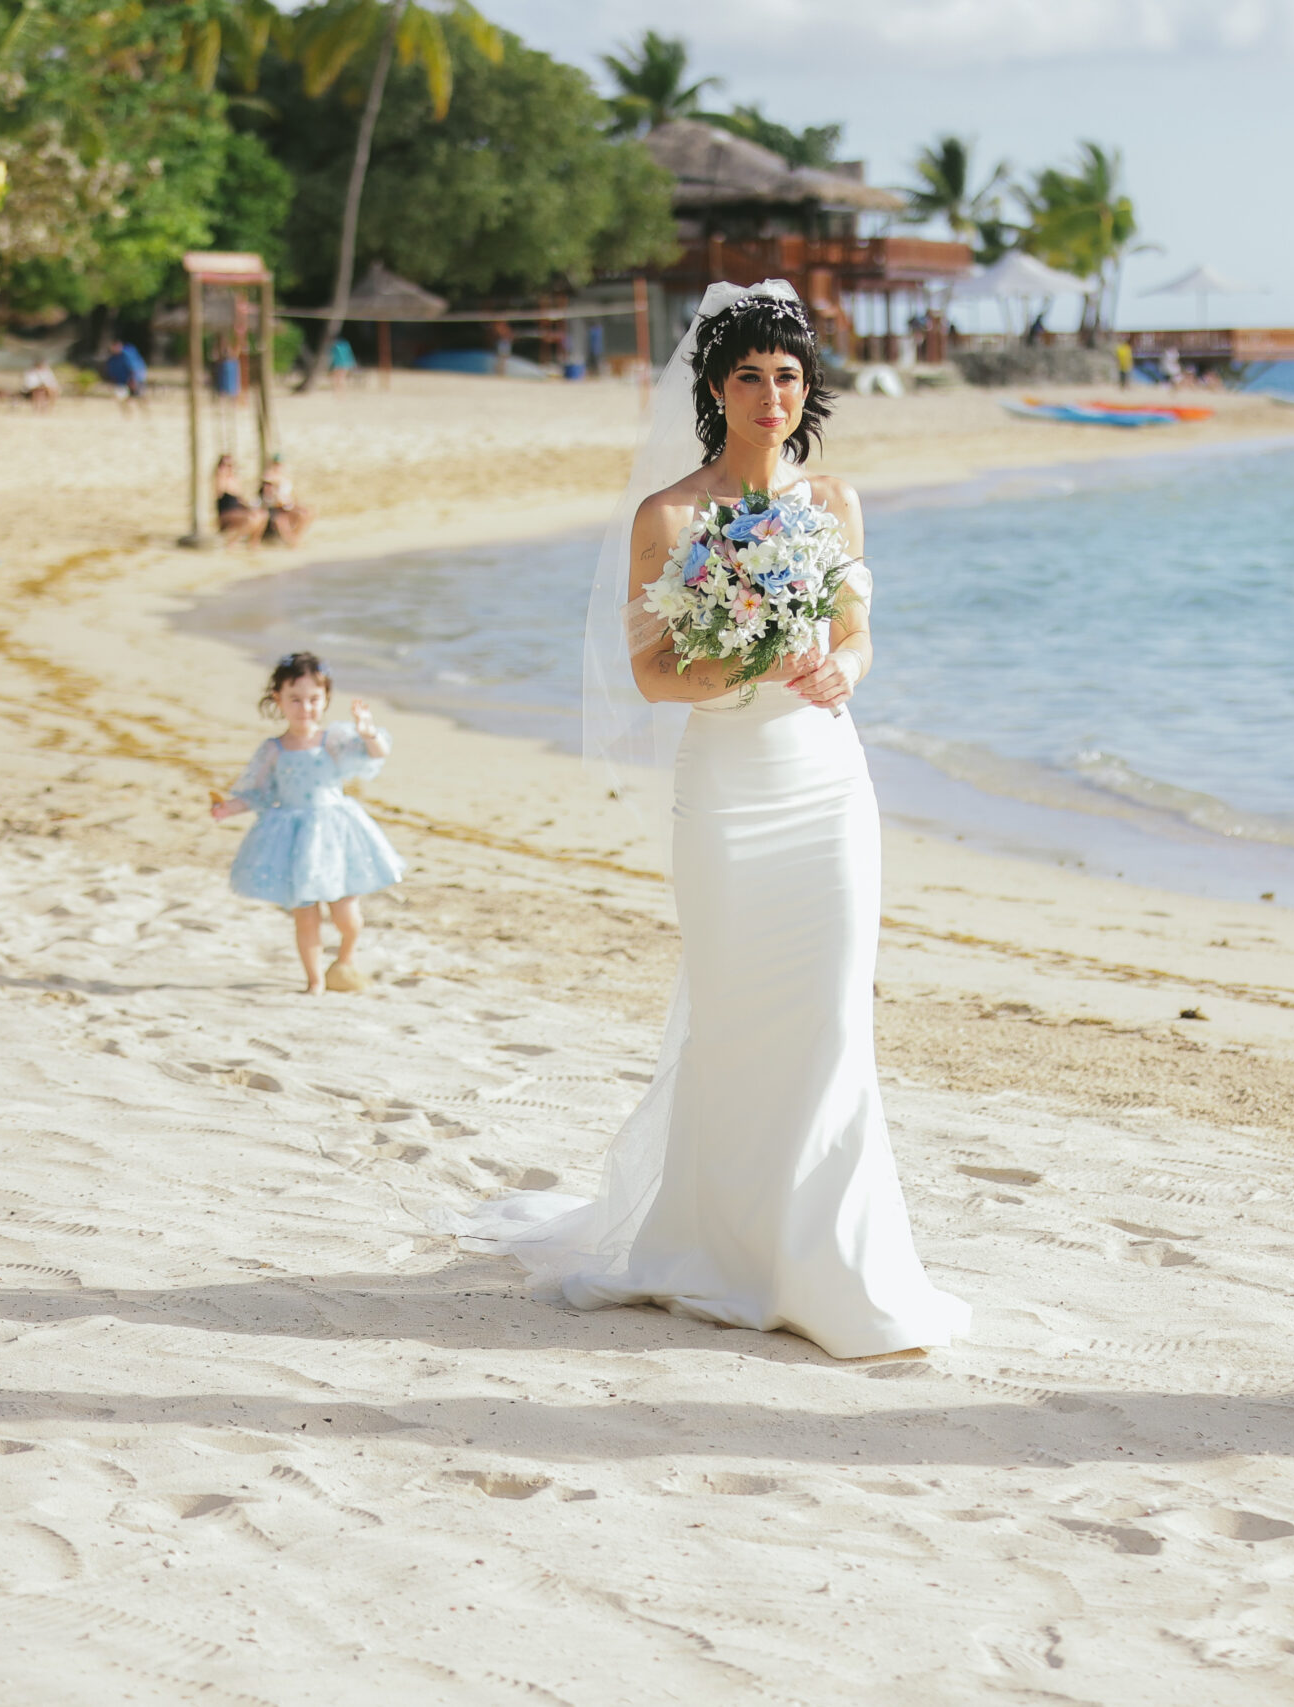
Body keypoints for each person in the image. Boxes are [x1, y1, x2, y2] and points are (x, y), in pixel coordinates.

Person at [437, 281, 971, 1361]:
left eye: (787, 376)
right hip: (728, 793)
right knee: (735, 1020)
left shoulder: (837, 505)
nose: (771, 395)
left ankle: (832, 1267)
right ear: (715, 389)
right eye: (749, 377)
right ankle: (718, 1249)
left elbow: (863, 637)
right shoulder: (670, 518)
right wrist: (748, 654)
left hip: (825, 786)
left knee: (830, 1017)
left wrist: (837, 668)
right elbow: (649, 675)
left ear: (807, 389)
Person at [210, 654, 403, 994]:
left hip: (335, 833)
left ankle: (345, 957)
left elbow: (376, 753)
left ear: (326, 699)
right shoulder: (273, 749)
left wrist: (368, 730)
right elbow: (260, 793)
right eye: (295, 700)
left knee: (346, 914)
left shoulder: (334, 740)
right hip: (293, 839)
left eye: (314, 699)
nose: (305, 708)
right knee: (306, 915)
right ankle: (314, 980)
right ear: (278, 700)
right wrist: (229, 808)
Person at [259, 456, 314, 548]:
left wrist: (293, 503)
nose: (278, 466)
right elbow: (268, 496)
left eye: (279, 464)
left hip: (287, 504)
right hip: (275, 506)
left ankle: (295, 538)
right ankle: (291, 541)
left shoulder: (285, 477)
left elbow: (290, 495)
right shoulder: (268, 477)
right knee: (281, 519)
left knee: (307, 513)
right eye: (276, 464)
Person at [211, 452, 263, 546]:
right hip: (226, 512)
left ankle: (253, 542)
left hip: (237, 509)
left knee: (261, 515)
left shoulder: (234, 480)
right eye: (225, 465)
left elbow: (239, 498)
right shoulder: (219, 479)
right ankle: (232, 541)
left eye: (230, 465)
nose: (228, 468)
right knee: (250, 519)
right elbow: (219, 492)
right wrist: (222, 475)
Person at [98, 337, 147, 414]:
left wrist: (134, 380)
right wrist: (112, 382)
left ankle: (144, 412)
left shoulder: (127, 355)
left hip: (133, 380)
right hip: (121, 382)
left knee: (139, 398)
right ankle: (127, 414)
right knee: (121, 398)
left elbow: (134, 368)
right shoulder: (112, 359)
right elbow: (111, 372)